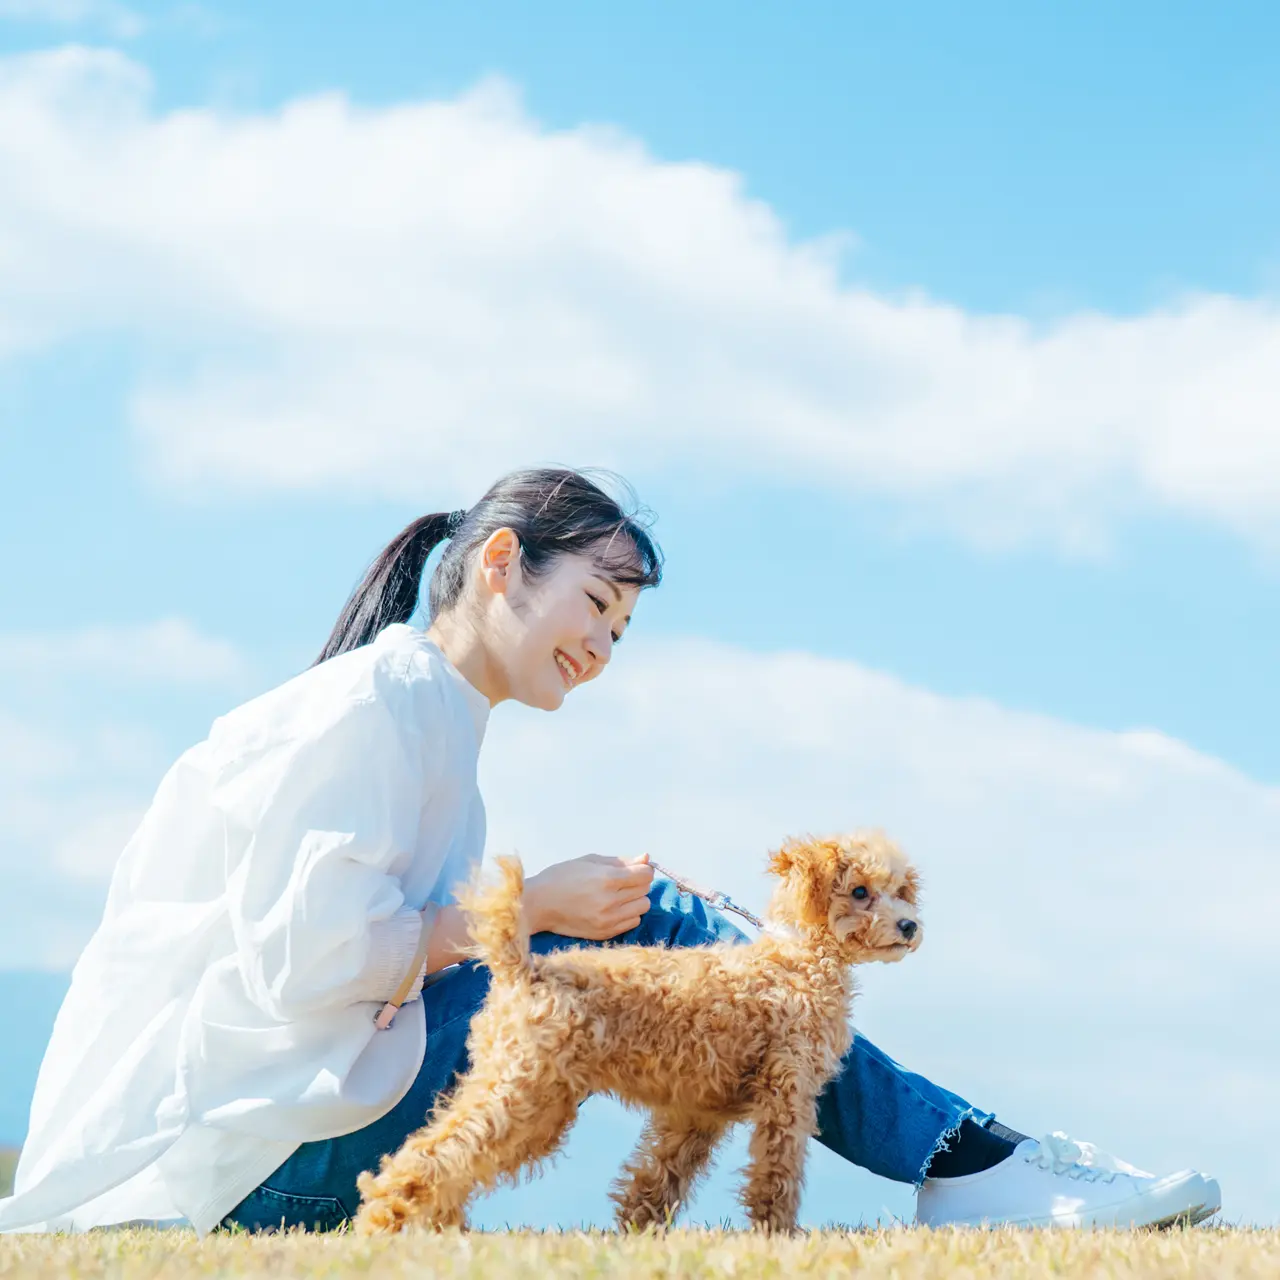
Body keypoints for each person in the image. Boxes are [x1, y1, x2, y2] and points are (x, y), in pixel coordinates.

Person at [0, 466, 1220, 1236]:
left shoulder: (427, 717)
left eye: (621, 628)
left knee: (683, 944)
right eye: (594, 603)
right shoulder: (369, 706)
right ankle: (972, 1162)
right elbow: (306, 966)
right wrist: (532, 909)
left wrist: (545, 910)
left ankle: (970, 1155)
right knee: (686, 938)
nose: (603, 643)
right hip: (241, 1172)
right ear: (496, 564)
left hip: (273, 1148)